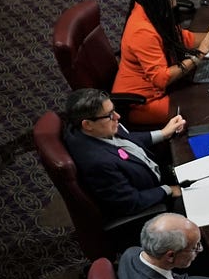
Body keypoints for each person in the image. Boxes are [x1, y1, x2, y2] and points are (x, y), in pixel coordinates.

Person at [62, 88, 185, 222]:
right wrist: (168, 190)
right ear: (87, 124)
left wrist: (163, 133)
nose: (117, 116)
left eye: (114, 110)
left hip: (155, 174)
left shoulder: (96, 130)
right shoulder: (98, 163)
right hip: (153, 195)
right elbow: (130, 202)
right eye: (110, 115)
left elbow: (127, 140)